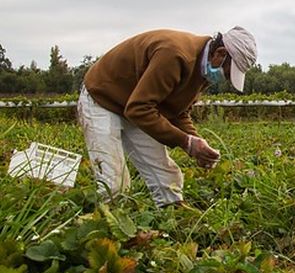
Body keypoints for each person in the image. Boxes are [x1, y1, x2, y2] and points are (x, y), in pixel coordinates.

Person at [77, 27, 257, 207]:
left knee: (167, 178)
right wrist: (186, 142)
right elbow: (138, 109)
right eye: (227, 72)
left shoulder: (203, 69)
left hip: (135, 104)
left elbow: (178, 111)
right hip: (102, 98)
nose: (225, 78)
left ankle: (173, 222)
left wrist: (196, 141)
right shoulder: (175, 55)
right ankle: (104, 223)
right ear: (220, 53)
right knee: (114, 185)